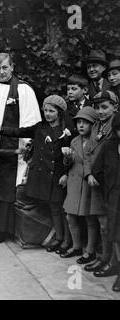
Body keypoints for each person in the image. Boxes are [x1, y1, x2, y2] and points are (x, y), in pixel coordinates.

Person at [0, 95, 73, 253]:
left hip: (58, 175)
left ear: (60, 113)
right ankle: (58, 238)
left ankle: (66, 241)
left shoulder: (67, 131)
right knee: (53, 208)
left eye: (51, 111)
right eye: (45, 110)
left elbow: (70, 155)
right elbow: (19, 131)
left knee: (60, 209)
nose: (47, 114)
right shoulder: (40, 127)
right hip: (42, 175)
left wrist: (66, 174)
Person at [0, 52, 42, 243]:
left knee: (5, 188)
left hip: (11, 148)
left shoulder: (23, 90)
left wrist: (25, 149)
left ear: (13, 67)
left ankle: (2, 231)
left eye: (5, 67)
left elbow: (31, 125)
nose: (2, 72)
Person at [83, 91, 118, 275]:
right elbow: (88, 151)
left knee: (110, 225)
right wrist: (88, 173)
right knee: (100, 223)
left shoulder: (116, 127)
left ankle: (112, 262)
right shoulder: (96, 125)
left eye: (105, 107)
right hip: (94, 181)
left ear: (115, 107)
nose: (100, 111)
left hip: (109, 183)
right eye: (97, 107)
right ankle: (104, 257)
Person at [62, 107, 102, 264]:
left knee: (90, 218)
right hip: (74, 183)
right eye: (79, 122)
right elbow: (69, 163)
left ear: (93, 124)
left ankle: (90, 251)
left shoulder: (96, 141)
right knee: (70, 216)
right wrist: (67, 158)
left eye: (85, 122)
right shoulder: (74, 140)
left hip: (88, 184)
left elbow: (93, 162)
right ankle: (77, 246)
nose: (81, 126)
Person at [92, 112, 120, 292]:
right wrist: (107, 187)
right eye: (118, 130)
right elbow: (96, 169)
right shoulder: (110, 146)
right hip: (114, 196)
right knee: (116, 234)